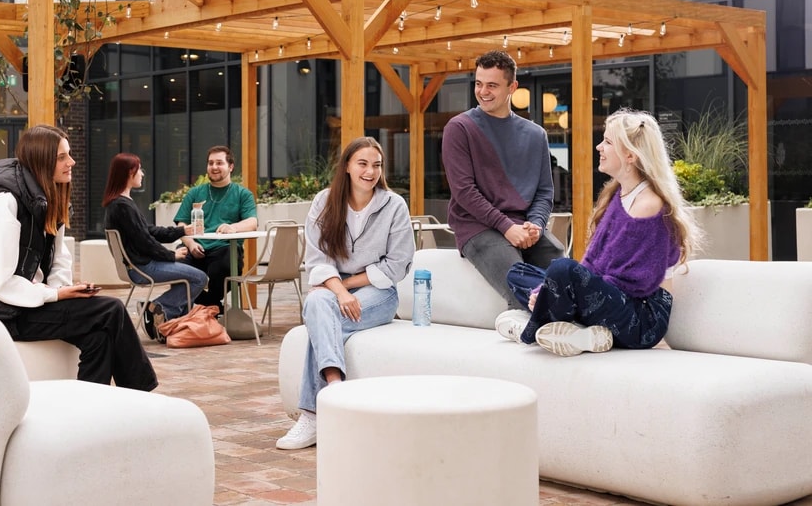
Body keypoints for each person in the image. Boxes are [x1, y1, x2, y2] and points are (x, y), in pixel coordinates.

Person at [0, 125, 158, 391]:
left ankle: (91, 409)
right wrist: (54, 296)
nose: (72, 162)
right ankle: (141, 394)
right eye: (62, 157)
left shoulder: (48, 198)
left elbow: (60, 258)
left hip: (28, 301)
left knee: (99, 335)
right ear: (41, 160)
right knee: (111, 310)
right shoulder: (4, 203)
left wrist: (61, 290)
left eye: (68, 154)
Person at [495, 109, 702, 357]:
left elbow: (634, 283)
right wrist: (552, 289)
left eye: (607, 142)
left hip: (642, 316)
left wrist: (559, 290)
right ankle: (578, 330)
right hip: (616, 298)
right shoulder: (619, 195)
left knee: (562, 270)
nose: (598, 146)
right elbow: (593, 264)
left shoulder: (649, 204)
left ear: (630, 156)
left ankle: (532, 328)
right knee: (518, 273)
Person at [276, 137, 415, 450]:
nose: (370, 171)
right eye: (363, 164)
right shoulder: (324, 202)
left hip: (379, 293)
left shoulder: (394, 205)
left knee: (319, 314)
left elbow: (398, 264)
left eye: (376, 165)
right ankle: (336, 389)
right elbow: (317, 260)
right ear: (348, 167)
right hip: (332, 289)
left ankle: (312, 415)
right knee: (317, 303)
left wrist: (347, 288)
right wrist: (339, 292)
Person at [442, 50, 563, 309]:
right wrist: (507, 227)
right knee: (522, 283)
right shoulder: (459, 128)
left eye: (492, 85)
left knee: (562, 270)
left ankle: (574, 332)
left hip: (524, 227)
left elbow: (544, 192)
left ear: (512, 87)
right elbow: (464, 191)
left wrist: (536, 225)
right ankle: (530, 334)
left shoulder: (535, 134)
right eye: (478, 83)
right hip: (478, 228)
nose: (483, 91)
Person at [102, 152, 208, 341]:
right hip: (142, 267)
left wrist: (182, 231)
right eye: (139, 169)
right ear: (129, 173)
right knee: (199, 277)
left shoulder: (120, 203)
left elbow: (148, 231)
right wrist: (171, 256)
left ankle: (165, 321)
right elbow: (145, 242)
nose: (142, 173)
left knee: (189, 276)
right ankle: (158, 308)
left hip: (136, 265)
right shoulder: (122, 206)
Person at [175, 146, 258, 312]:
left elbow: (252, 222)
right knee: (176, 266)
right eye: (210, 163)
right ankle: (211, 306)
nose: (214, 167)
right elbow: (181, 224)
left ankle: (208, 304)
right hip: (194, 247)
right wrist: (190, 244)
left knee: (225, 266)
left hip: (224, 248)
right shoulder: (195, 193)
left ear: (231, 166)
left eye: (219, 163)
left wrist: (232, 227)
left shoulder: (243, 194)